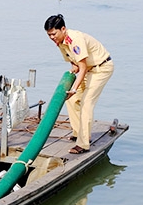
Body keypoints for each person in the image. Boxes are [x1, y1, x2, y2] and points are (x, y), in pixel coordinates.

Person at [44, 14, 114, 154]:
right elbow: (75, 63)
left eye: (53, 34)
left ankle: (83, 144)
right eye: (49, 35)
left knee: (86, 103)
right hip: (88, 69)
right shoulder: (60, 42)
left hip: (101, 68)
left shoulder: (75, 40)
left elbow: (81, 68)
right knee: (72, 100)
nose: (51, 37)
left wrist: (74, 88)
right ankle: (79, 133)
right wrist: (71, 73)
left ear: (63, 29)